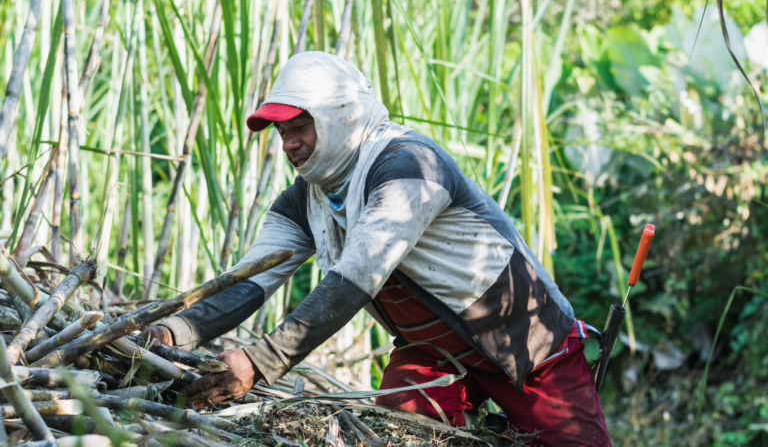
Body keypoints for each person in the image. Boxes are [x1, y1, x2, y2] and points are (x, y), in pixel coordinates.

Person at [143, 51, 611, 446]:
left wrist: (260, 362)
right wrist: (174, 333)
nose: (288, 144)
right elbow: (251, 278)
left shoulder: (408, 167)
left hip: (526, 347)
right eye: (281, 134)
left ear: (340, 115)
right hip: (436, 355)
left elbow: (354, 280)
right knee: (397, 426)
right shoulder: (309, 197)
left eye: (299, 127)